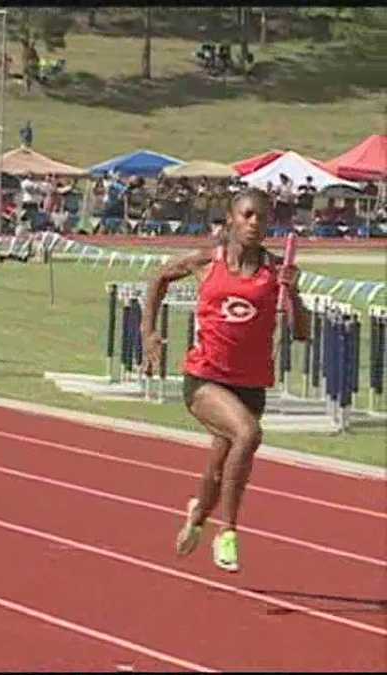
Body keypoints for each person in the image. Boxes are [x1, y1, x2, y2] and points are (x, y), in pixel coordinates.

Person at [141, 188, 308, 573]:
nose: (254, 223)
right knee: (248, 436)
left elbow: (300, 332)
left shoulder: (276, 271)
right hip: (204, 380)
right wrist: (148, 333)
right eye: (247, 215)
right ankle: (228, 531)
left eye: (262, 218)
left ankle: (196, 519)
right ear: (230, 219)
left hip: (250, 387)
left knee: (220, 470)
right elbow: (160, 279)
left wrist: (294, 294)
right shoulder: (206, 261)